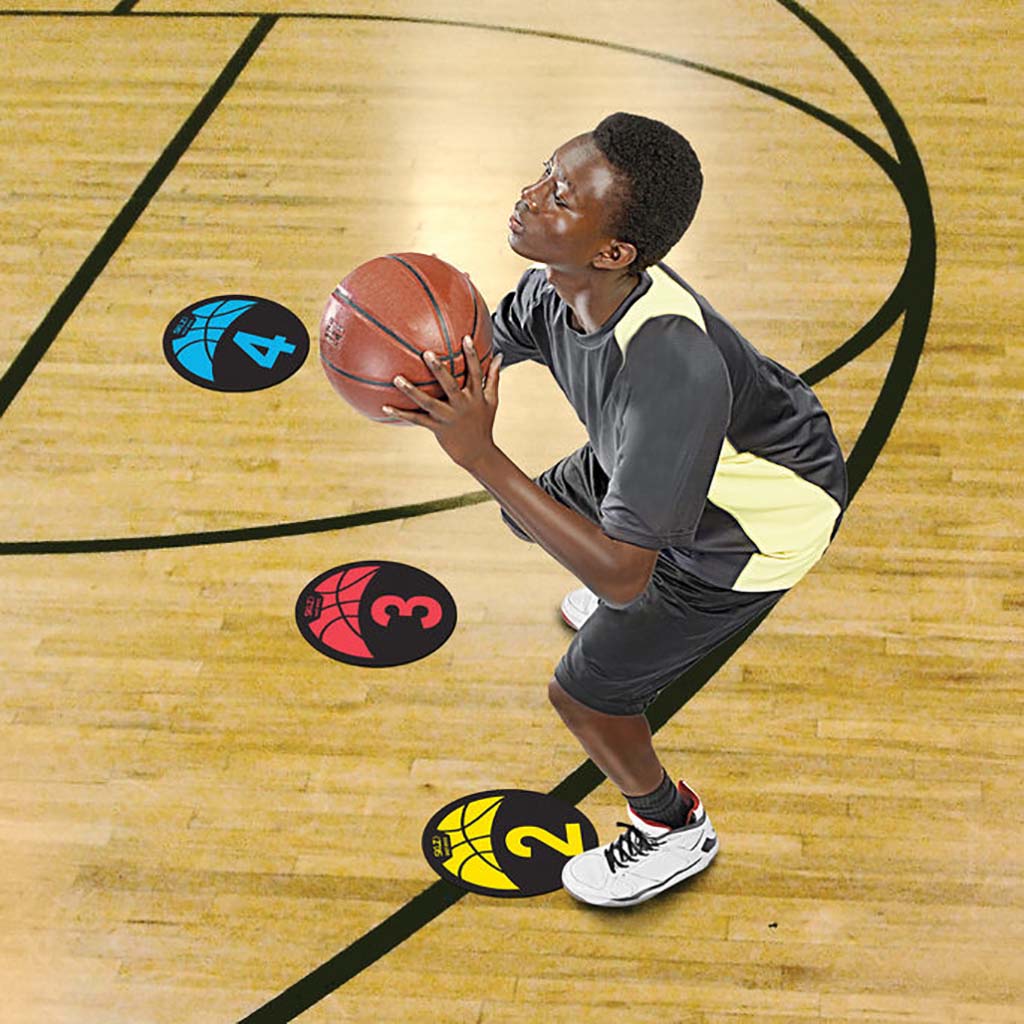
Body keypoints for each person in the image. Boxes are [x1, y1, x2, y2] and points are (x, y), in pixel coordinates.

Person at [381, 112, 847, 908]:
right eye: (544, 172)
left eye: (559, 197)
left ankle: (672, 826)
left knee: (586, 695)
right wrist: (407, 368)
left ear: (613, 252)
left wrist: (478, 453)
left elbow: (623, 579)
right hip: (664, 456)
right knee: (526, 515)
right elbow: (483, 351)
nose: (529, 196)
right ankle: (644, 535)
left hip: (754, 528)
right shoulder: (557, 287)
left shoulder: (669, 371)